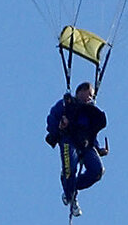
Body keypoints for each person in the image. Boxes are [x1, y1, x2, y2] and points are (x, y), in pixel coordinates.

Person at [45, 81, 109, 216]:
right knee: (70, 168)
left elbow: (91, 133)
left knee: (98, 171)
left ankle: (72, 185)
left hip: (86, 145)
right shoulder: (65, 105)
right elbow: (51, 120)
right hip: (69, 140)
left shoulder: (89, 112)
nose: (90, 98)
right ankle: (70, 193)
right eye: (88, 95)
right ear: (79, 92)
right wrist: (59, 127)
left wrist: (99, 149)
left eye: (92, 96)